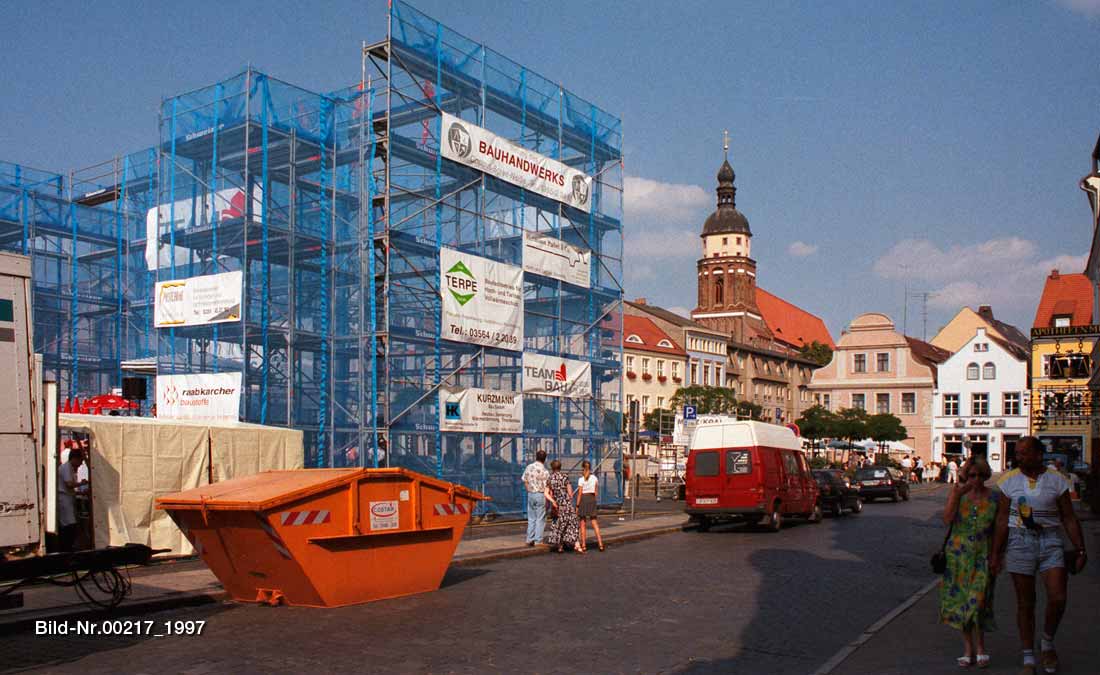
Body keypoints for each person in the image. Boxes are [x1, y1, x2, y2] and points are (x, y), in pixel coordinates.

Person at [991, 437, 1088, 674]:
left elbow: (1068, 517)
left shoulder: (1057, 480)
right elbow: (1002, 519)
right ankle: (1028, 656)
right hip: (1019, 541)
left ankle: (1046, 641)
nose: (1019, 457)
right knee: (1026, 603)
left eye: (1024, 453)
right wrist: (995, 553)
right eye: (1018, 453)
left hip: (1050, 540)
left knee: (1058, 597)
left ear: (1038, 454)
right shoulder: (1008, 481)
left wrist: (1080, 548)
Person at [939, 457, 998, 668]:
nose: (976, 479)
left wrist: (997, 556)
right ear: (966, 476)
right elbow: (947, 519)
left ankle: (981, 646)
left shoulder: (995, 498)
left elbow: (999, 530)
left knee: (979, 602)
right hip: (958, 556)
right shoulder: (958, 495)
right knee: (962, 602)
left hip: (982, 555)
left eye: (981, 475)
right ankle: (968, 648)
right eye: (972, 475)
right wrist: (956, 494)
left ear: (986, 476)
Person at [543, 460, 580, 553]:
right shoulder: (565, 477)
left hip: (557, 505)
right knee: (572, 524)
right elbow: (570, 493)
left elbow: (546, 493)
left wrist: (553, 501)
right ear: (560, 467)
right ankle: (576, 545)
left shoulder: (550, 478)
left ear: (552, 468)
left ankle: (560, 547)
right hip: (566, 504)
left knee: (559, 525)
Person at [57, 447, 88, 552]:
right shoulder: (66, 467)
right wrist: (81, 483)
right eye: (80, 461)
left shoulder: (70, 468)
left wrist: (80, 492)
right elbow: (69, 484)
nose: (80, 464)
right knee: (69, 525)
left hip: (68, 499)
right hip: (64, 501)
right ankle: (66, 549)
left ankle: (68, 547)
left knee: (71, 524)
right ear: (75, 458)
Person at [521, 450, 549, 547]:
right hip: (540, 494)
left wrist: (529, 489)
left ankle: (529, 539)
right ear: (544, 459)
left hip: (531, 494)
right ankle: (538, 540)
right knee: (540, 518)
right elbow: (547, 487)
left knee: (531, 518)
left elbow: (525, 480)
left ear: (536, 457)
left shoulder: (529, 467)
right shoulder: (545, 471)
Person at [576, 460, 604, 552]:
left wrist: (577, 505)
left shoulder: (581, 479)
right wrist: (594, 501)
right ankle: (600, 544)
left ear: (583, 468)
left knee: (582, 523)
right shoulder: (595, 478)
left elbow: (579, 494)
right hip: (592, 499)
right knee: (594, 522)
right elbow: (596, 492)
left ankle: (583, 545)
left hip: (584, 499)